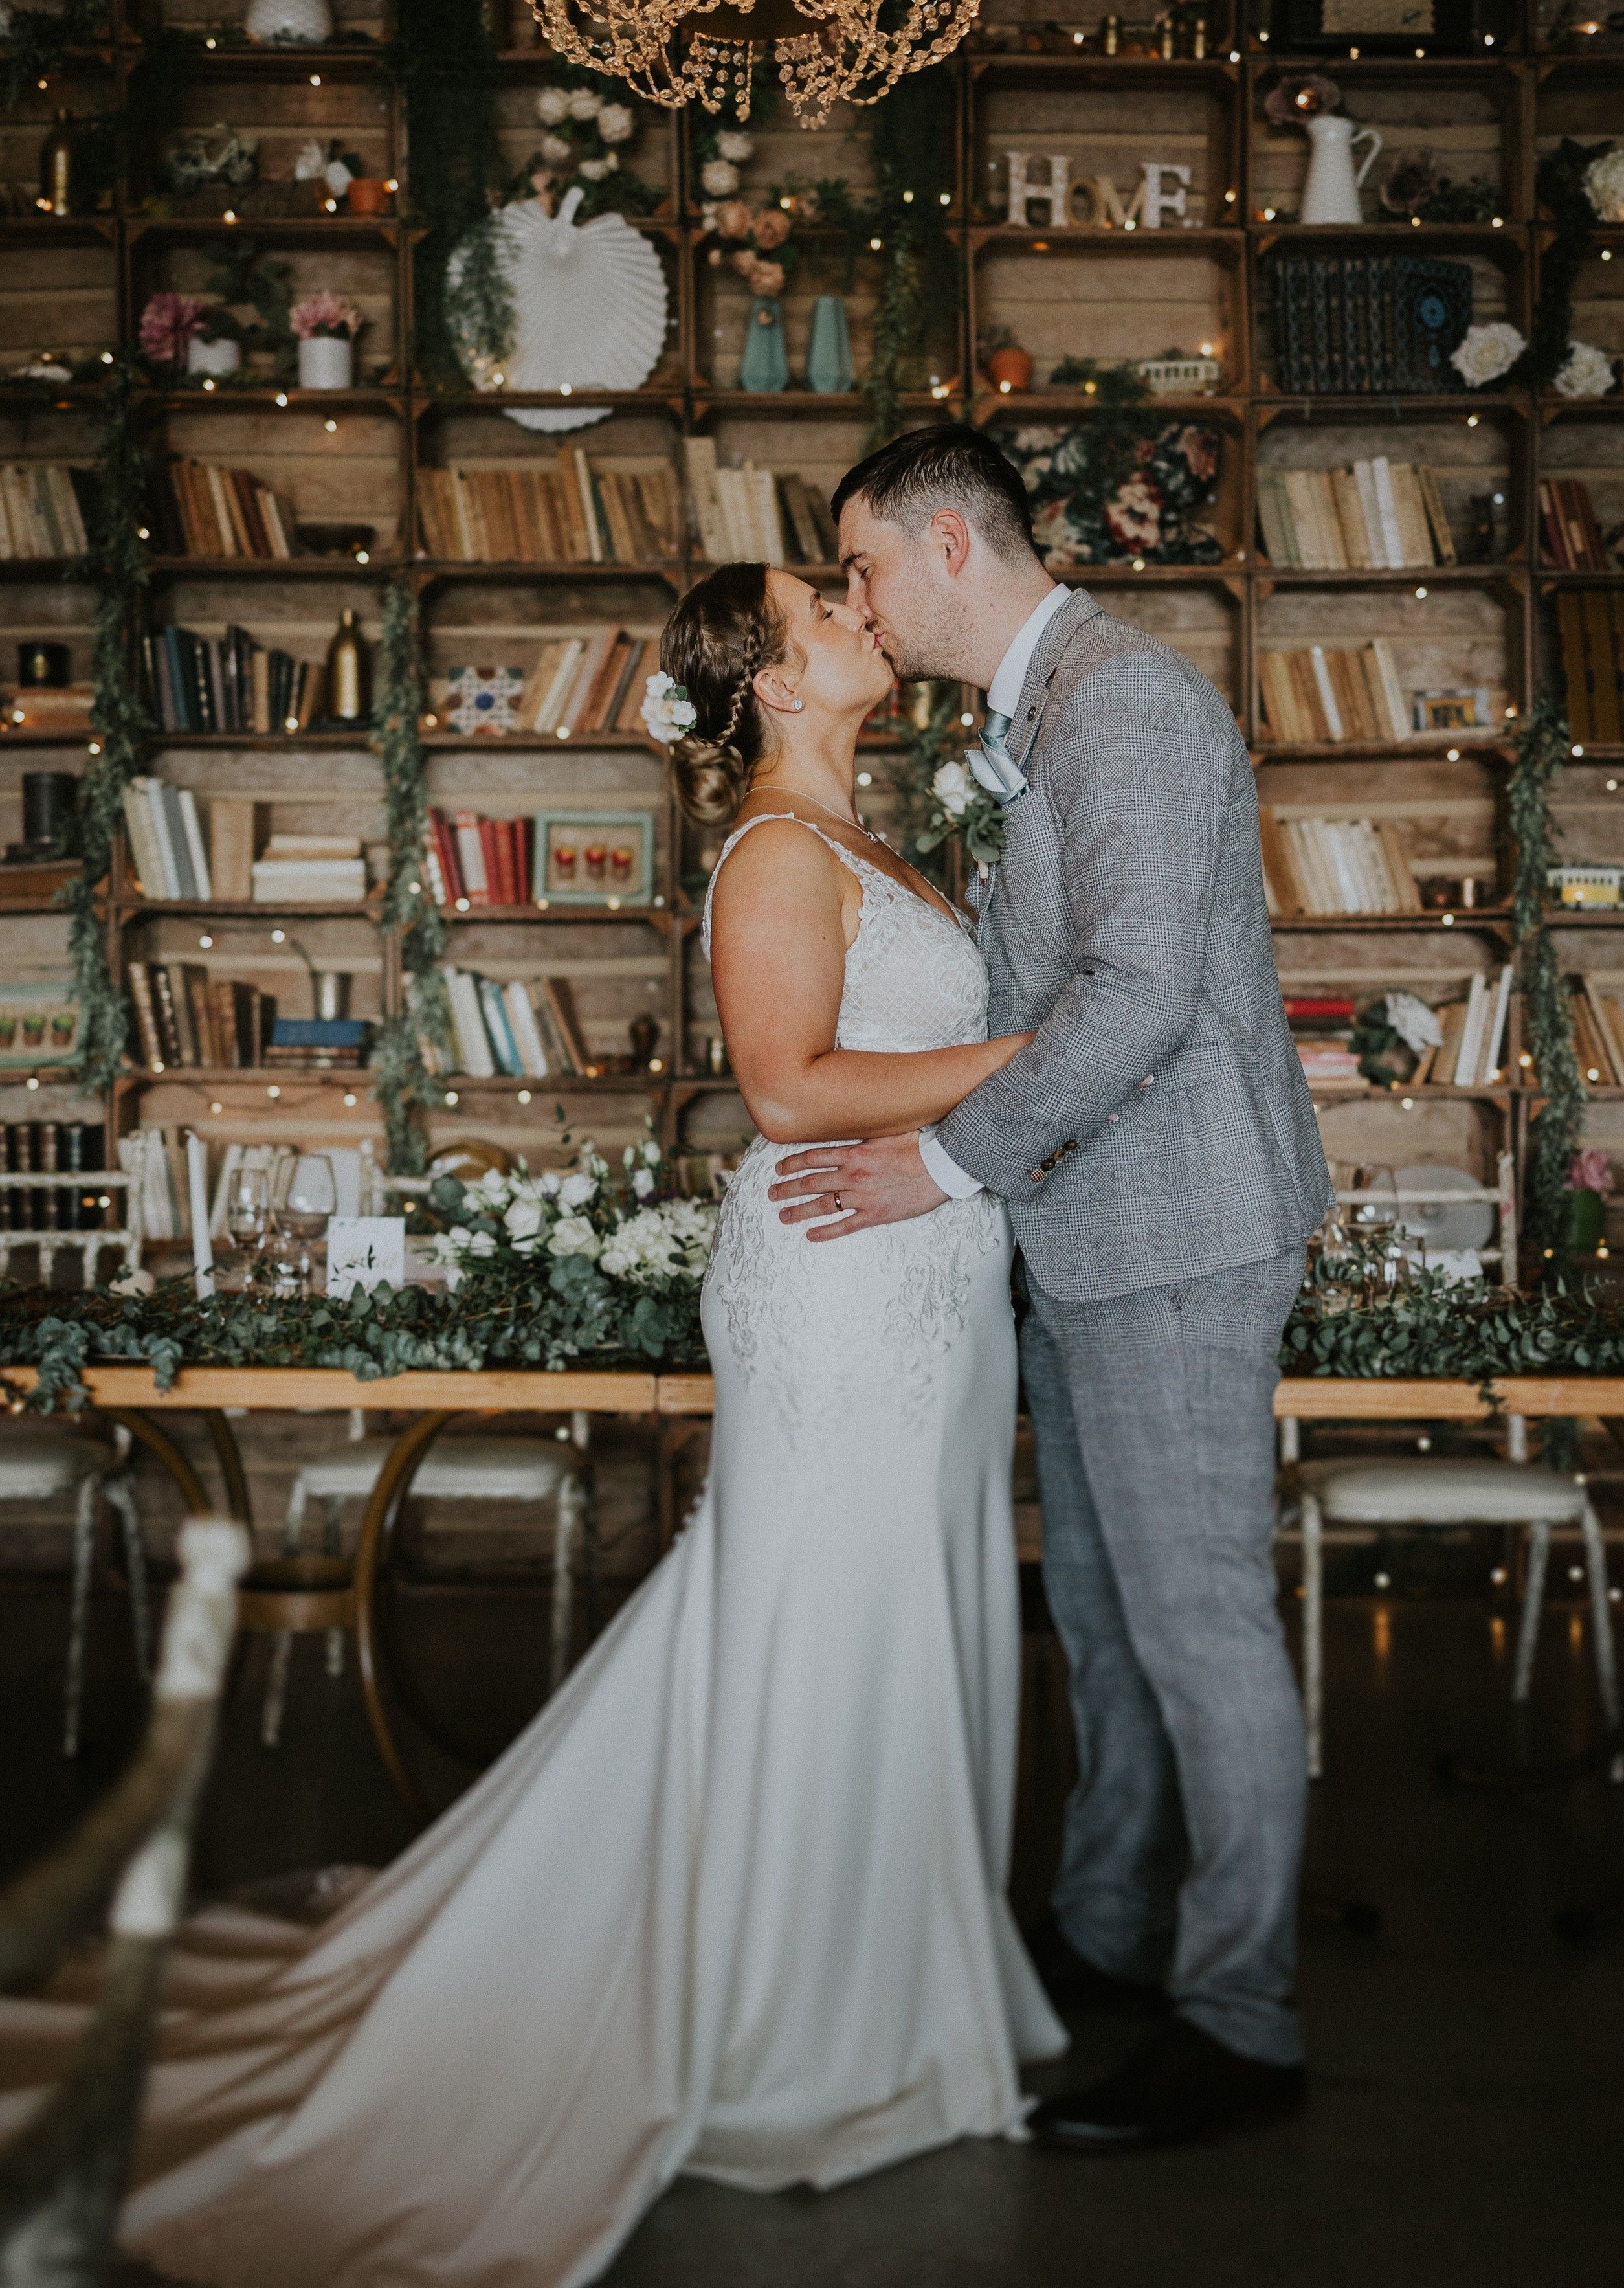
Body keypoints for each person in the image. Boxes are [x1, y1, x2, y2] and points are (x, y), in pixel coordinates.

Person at [0, 559, 1065, 2288]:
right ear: (774, 683)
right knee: (820, 1621)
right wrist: (1038, 1055)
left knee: (891, 1618)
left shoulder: (866, 838)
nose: (867, 613)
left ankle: (890, 1996)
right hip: (844, 1299)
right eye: (827, 606)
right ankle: (792, 2028)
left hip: (926, 1285)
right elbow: (788, 1086)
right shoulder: (784, 855)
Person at [770, 421, 1331, 2153]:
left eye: (861, 564)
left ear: (949, 548)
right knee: (1103, 1619)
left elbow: (1148, 994)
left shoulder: (1125, 704)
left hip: (1177, 1232)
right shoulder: (1043, 713)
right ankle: (1102, 1929)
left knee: (1199, 1627)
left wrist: (940, 1165)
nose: (854, 599)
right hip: (1093, 1238)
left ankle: (1239, 2019)